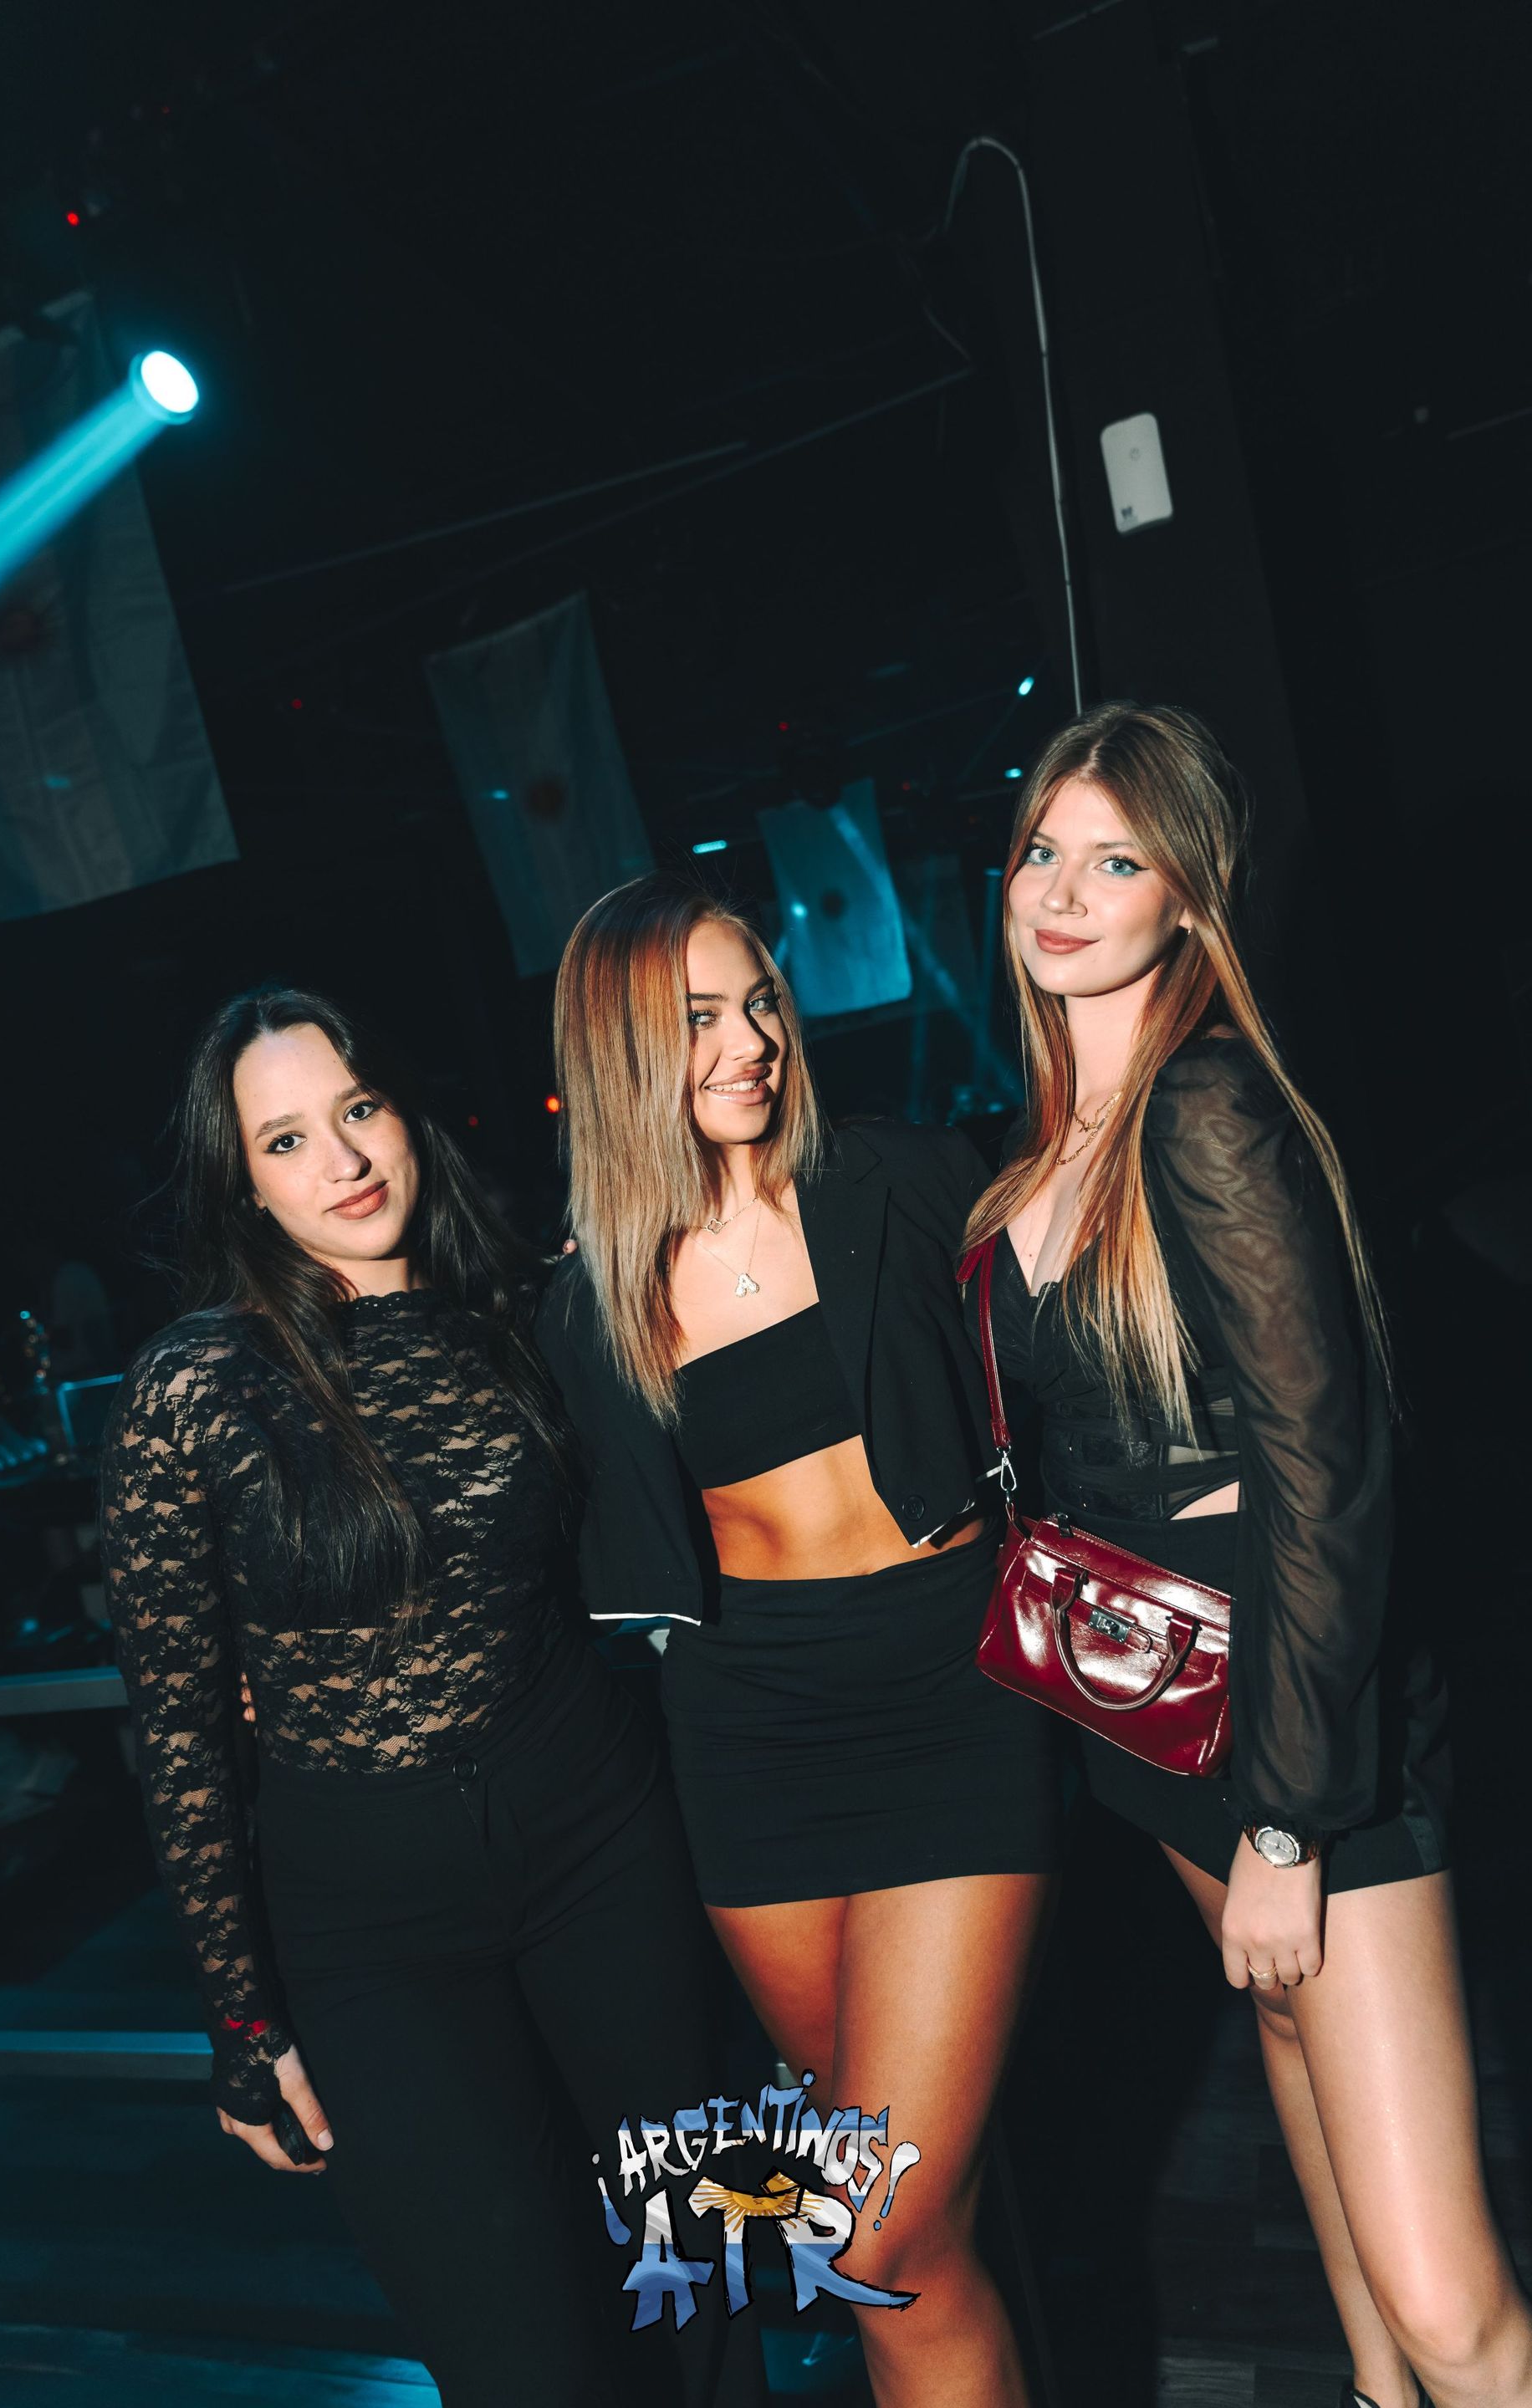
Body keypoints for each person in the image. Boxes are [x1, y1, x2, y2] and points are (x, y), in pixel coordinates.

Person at [962, 701, 1532, 2408]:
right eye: (1044, 852)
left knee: (1454, 2307)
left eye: (1117, 862)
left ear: (1189, 894)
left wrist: (1293, 1817)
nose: (1062, 892)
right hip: (1164, 1720)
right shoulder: (1046, 1144)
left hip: (1310, 1735)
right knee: (1294, 2046)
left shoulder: (1205, 1107)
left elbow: (1328, 1474)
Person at [100, 982, 765, 2408]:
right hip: (368, 1922)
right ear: (243, 1184)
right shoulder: (193, 1389)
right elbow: (181, 1734)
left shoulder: (530, 1313)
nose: (342, 1161)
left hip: (600, 1841)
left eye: (358, 1110)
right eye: (285, 1141)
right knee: (511, 2346)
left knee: (694, 2283)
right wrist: (242, 2024)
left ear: (408, 1113)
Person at [536, 875, 1063, 2408]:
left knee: (883, 2218)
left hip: (951, 1694)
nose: (752, 1041)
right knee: (887, 2226)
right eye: (700, 1017)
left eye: (759, 1000)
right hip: (752, 1740)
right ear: (622, 1047)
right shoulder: (590, 1302)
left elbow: (1071, 1378)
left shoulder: (907, 1178)